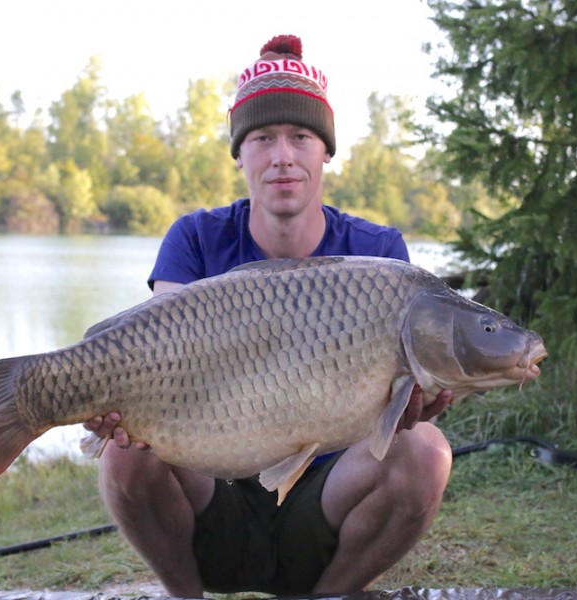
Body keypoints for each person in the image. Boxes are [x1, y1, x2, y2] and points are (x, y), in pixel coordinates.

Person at [83, 34, 454, 597]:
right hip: (214, 490)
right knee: (123, 454)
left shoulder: (379, 256)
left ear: (325, 150)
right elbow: (151, 352)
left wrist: (415, 405)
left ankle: (333, 593)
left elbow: (398, 413)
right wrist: (111, 401)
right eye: (262, 138)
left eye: (300, 136)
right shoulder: (195, 239)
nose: (283, 156)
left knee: (426, 450)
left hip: (327, 500)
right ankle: (184, 596)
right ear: (240, 153)